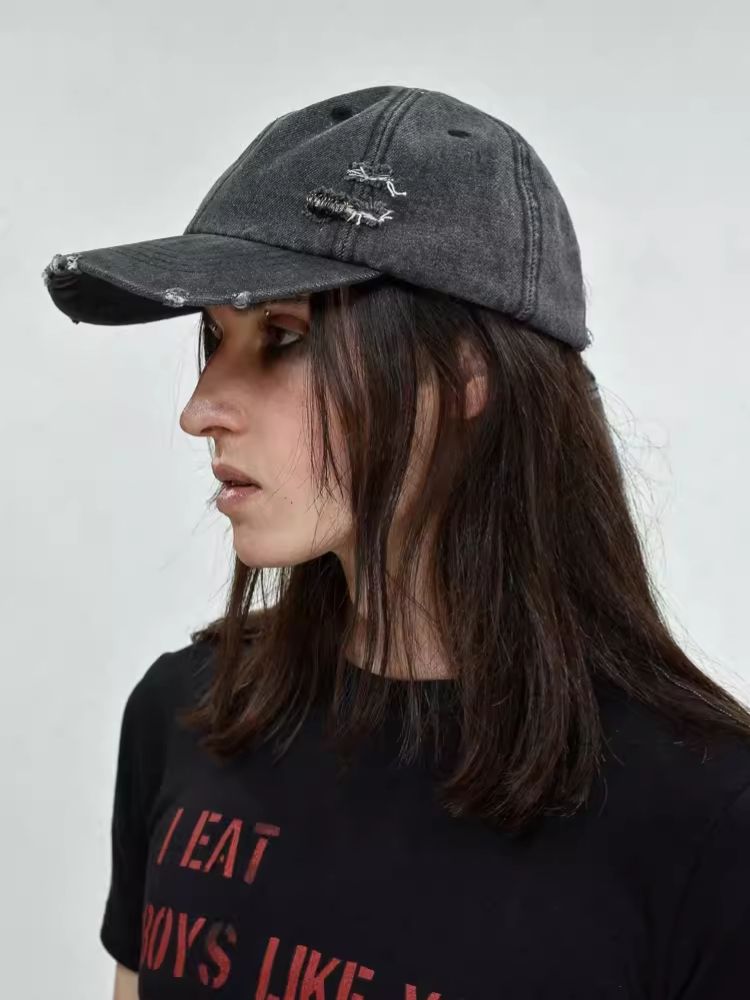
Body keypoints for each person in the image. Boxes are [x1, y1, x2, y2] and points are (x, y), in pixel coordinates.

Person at [43, 85, 750, 1000]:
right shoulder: (185, 715)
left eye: (283, 337)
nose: (200, 408)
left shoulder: (706, 824)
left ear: (462, 381)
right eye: (214, 338)